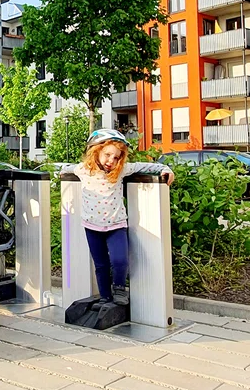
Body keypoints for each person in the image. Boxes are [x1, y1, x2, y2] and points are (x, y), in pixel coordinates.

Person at [70, 129, 174, 306]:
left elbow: (146, 166)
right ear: (96, 151)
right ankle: (105, 297)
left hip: (116, 225)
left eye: (116, 157)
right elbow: (64, 168)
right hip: (92, 226)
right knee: (101, 264)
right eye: (107, 154)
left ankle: (119, 288)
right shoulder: (83, 170)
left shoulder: (121, 170)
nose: (111, 160)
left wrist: (166, 169)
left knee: (120, 260)